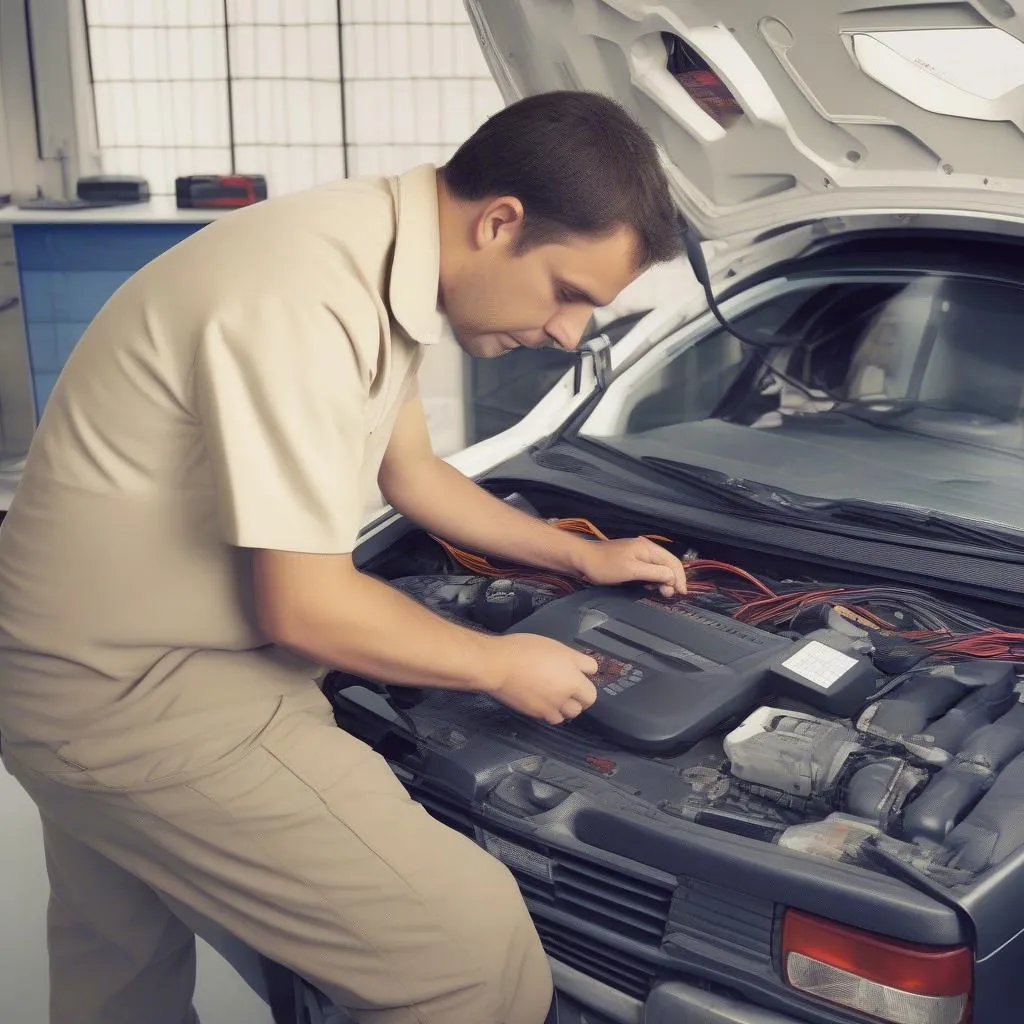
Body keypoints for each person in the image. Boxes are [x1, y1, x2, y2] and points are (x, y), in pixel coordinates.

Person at [0, 91, 686, 1024]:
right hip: (140, 695)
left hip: (60, 665)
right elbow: (306, 607)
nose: (569, 334)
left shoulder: (362, 248)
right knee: (471, 961)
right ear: (499, 222)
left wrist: (575, 561)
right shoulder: (303, 296)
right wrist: (496, 664)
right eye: (570, 292)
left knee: (118, 963)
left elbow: (410, 471)